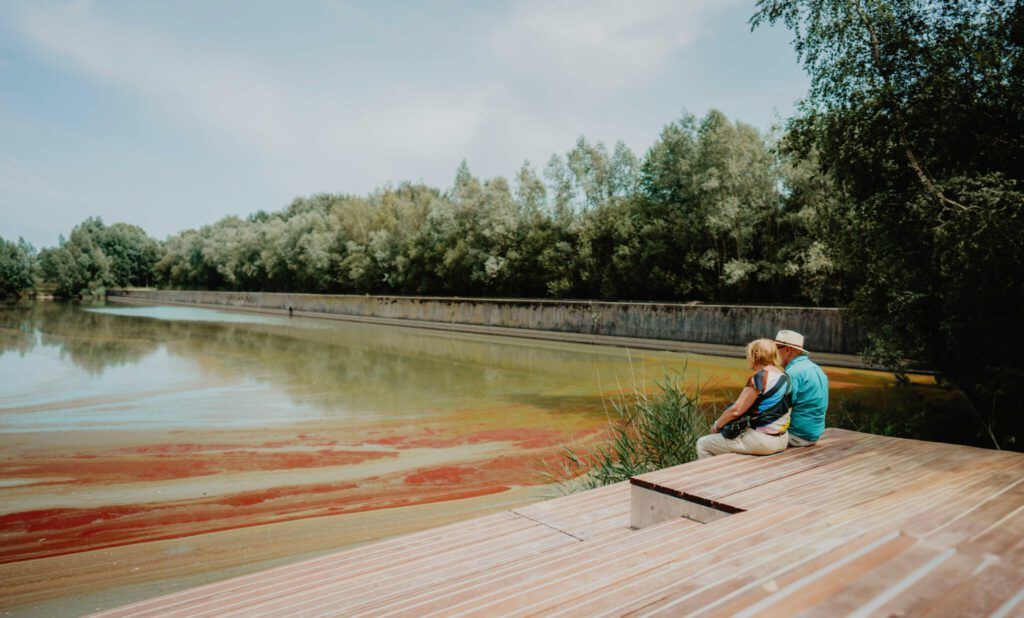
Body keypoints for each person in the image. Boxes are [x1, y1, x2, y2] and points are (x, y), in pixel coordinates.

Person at [696, 339, 792, 459]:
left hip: (763, 442)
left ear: (755, 355)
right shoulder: (784, 377)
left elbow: (736, 410)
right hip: (782, 440)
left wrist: (716, 426)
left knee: (703, 443)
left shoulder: (760, 378)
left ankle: (711, 477)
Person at [774, 329, 829, 447]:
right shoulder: (816, 368)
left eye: (776, 348)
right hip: (814, 435)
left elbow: (777, 409)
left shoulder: (792, 373)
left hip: (796, 436)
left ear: (788, 350)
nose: (773, 353)